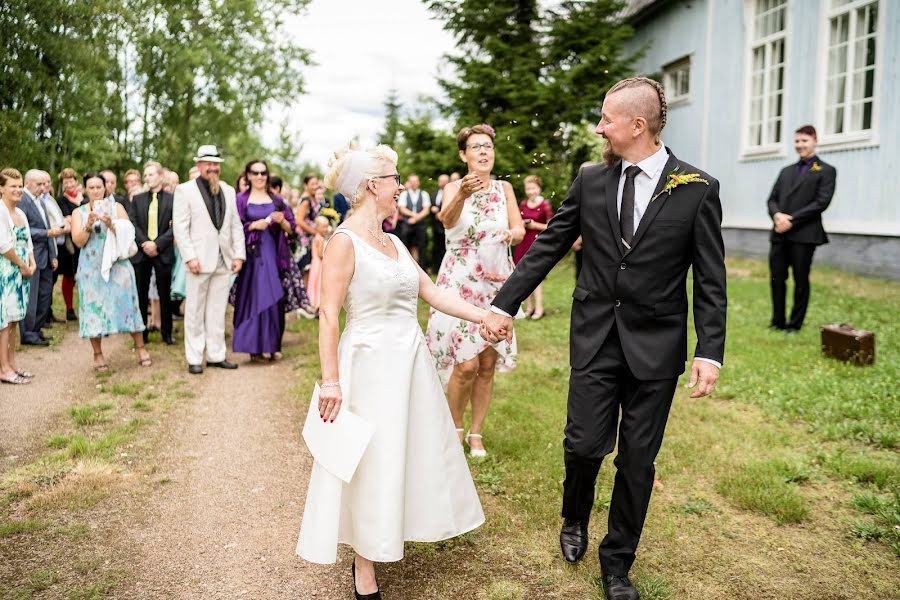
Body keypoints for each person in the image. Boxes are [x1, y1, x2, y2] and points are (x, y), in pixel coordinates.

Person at [481, 77, 727, 600]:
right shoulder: (592, 178)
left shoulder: (698, 188)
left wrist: (709, 350)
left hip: (656, 347)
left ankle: (617, 563)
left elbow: (710, 278)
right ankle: (574, 516)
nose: (599, 127)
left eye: (606, 119)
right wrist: (503, 304)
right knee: (584, 445)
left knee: (638, 459)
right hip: (595, 336)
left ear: (637, 126)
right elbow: (548, 244)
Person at [296, 144, 486, 598]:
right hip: (367, 363)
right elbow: (328, 314)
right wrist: (331, 382)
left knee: (405, 451)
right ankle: (364, 567)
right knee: (371, 458)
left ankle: (391, 528)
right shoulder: (344, 242)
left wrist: (486, 316)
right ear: (370, 187)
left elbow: (434, 294)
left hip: (408, 362)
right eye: (393, 178)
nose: (400, 185)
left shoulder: (396, 242)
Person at [425, 124, 525, 458]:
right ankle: (453, 427)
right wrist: (464, 194)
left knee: (486, 363)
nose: (484, 151)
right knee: (464, 364)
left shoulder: (505, 188)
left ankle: (476, 433)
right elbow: (446, 221)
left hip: (494, 280)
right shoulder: (454, 187)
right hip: (460, 280)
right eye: (476, 147)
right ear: (463, 154)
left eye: (488, 146)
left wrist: (511, 234)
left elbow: (520, 229)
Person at [172, 145, 245, 374]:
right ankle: (194, 357)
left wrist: (239, 254)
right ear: (199, 165)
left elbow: (235, 225)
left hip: (224, 259)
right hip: (198, 261)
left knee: (217, 310)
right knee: (194, 311)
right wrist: (190, 257)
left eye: (216, 164)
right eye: (208, 164)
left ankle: (216, 355)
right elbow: (181, 229)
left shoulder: (228, 190)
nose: (213, 168)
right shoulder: (185, 191)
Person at [71, 172, 149, 371]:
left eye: (99, 187)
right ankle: (98, 354)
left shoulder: (117, 207)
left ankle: (140, 348)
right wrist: (88, 225)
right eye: (92, 187)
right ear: (85, 189)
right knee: (92, 310)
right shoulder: (78, 212)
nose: (96, 191)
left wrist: (111, 224)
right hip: (90, 268)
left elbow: (128, 236)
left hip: (118, 266)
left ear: (105, 188)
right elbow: (78, 242)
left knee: (128, 306)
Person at [231, 159, 306, 361]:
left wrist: (282, 222)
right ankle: (253, 348)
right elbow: (234, 227)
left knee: (273, 296)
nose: (259, 177)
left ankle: (273, 345)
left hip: (273, 254)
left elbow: (292, 229)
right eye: (255, 173)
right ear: (247, 175)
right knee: (252, 299)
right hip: (250, 255)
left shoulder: (277, 200)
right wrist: (252, 226)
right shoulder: (240, 200)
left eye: (263, 173)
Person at [767, 125, 836, 333]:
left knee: (800, 280)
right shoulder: (785, 171)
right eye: (797, 141)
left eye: (804, 141)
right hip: (779, 234)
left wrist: (792, 220)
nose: (799, 145)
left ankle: (794, 324)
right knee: (777, 278)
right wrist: (777, 215)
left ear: (815, 141)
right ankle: (777, 321)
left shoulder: (826, 171)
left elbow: (821, 202)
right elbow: (772, 199)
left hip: (805, 235)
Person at [128, 162, 176, 345]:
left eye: (151, 174)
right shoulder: (138, 199)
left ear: (160, 176)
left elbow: (176, 226)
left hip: (163, 252)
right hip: (142, 253)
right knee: (141, 293)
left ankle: (167, 332)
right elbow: (133, 223)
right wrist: (145, 243)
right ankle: (142, 332)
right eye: (145, 175)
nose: (147, 178)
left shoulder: (173, 199)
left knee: (165, 294)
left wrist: (157, 244)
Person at [0, 168, 37, 384]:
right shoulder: (1, 211)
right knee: (3, 321)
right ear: (2, 188)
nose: (17, 189)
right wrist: (23, 265)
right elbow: (4, 246)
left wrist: (31, 263)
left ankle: (12, 364)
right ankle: (3, 368)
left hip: (22, 271)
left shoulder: (21, 213)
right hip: (6, 271)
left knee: (14, 319)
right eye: (12, 186)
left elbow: (28, 242)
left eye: (19, 185)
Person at [20, 170, 61, 346]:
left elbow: (48, 227)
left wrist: (53, 254)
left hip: (45, 257)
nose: (43, 188)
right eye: (39, 184)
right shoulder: (23, 200)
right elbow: (23, 229)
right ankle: (28, 333)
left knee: (45, 295)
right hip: (32, 256)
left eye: (45, 184)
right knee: (32, 297)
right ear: (28, 183)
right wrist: (47, 233)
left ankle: (36, 329)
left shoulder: (41, 200)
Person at [514, 175, 554, 320]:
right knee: (524, 276)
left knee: (536, 277)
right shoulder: (523, 204)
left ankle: (539, 308)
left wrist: (535, 225)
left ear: (539, 188)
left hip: (538, 243)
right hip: (524, 243)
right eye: (528, 188)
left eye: (533, 188)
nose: (531, 191)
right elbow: (517, 220)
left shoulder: (545, 205)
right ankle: (529, 308)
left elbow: (552, 226)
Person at [36, 170, 69, 325]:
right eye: (42, 183)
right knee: (44, 286)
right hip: (46, 245)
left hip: (56, 245)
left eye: (48, 182)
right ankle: (44, 317)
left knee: (49, 285)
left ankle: (47, 314)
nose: (46, 185)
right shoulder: (37, 201)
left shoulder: (49, 199)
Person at [56, 167, 86, 321]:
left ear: (76, 181)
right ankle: (69, 308)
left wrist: (73, 219)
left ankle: (85, 306)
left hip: (86, 241)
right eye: (65, 182)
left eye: (71, 181)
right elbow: (64, 218)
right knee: (69, 276)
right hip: (69, 245)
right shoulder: (60, 201)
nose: (68, 185)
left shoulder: (84, 198)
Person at [396, 174, 430, 267]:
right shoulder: (404, 194)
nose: (414, 183)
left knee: (422, 246)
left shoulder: (424, 194)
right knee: (405, 246)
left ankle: (423, 268)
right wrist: (414, 215)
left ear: (418, 182)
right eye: (412, 181)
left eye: (416, 181)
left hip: (420, 225)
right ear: (409, 183)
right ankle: (406, 267)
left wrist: (416, 218)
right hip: (407, 224)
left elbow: (426, 209)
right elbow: (402, 209)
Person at [306, 214, 331, 311]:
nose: (326, 229)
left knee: (314, 281)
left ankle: (314, 302)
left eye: (327, 226)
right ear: (317, 227)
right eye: (324, 227)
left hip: (315, 263)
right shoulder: (320, 239)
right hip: (319, 263)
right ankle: (317, 302)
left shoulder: (317, 237)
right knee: (318, 282)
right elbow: (321, 254)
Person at [430, 173, 449, 274]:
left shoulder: (451, 193)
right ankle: (435, 269)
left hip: (446, 225)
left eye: (445, 181)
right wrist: (432, 209)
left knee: (446, 247)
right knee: (436, 248)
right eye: (441, 181)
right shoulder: (434, 194)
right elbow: (431, 206)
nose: (442, 183)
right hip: (435, 226)